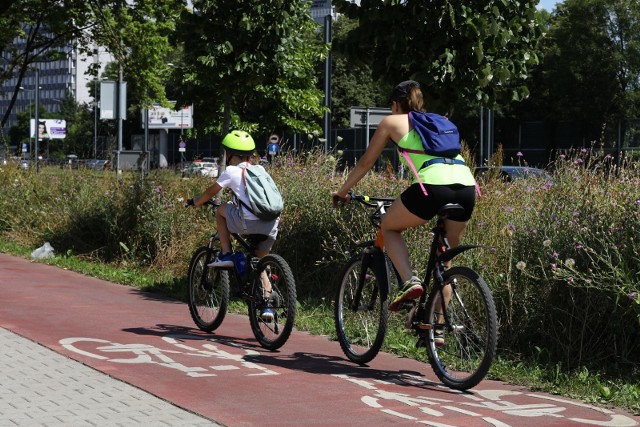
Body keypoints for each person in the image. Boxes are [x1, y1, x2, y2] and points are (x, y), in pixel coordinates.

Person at [332, 80, 477, 318]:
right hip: (467, 187)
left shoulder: (392, 121)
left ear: (395, 104)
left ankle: (410, 281)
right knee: (445, 262)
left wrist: (342, 191)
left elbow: (366, 163)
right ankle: (437, 327)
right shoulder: (441, 121)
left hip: (433, 186)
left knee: (388, 225)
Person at [185, 130, 279, 321]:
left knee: (220, 209)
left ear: (229, 155)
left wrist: (195, 202)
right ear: (249, 154)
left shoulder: (231, 171)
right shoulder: (261, 170)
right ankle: (267, 307)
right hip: (271, 223)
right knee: (261, 263)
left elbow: (210, 193)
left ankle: (226, 253)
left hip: (248, 224)